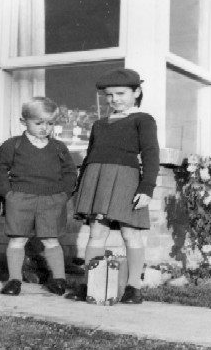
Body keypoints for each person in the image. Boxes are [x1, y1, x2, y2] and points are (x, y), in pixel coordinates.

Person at [68, 68, 160, 304]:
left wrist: (147, 187)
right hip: (97, 178)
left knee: (130, 234)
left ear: (136, 92)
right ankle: (91, 282)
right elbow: (89, 156)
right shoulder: (99, 124)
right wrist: (81, 186)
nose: (114, 99)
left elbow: (151, 154)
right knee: (97, 232)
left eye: (120, 93)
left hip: (126, 180)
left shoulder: (143, 120)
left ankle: (133, 287)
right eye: (109, 95)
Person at [0, 97, 77, 296]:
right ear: (24, 122)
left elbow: (70, 172)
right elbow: (0, 169)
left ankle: (59, 280)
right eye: (38, 123)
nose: (44, 128)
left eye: (50, 123)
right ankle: (14, 280)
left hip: (51, 200)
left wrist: (63, 194)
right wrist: (8, 194)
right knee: (18, 239)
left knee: (51, 240)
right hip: (20, 199)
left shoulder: (59, 148)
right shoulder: (12, 145)